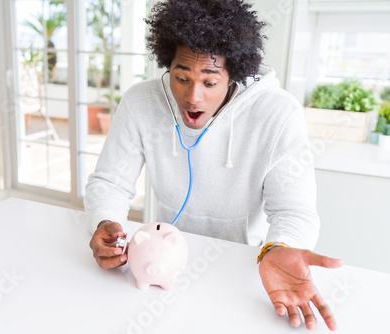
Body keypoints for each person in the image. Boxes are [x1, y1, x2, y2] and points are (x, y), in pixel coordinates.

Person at [85, 0, 343, 331]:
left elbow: (294, 211)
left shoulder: (279, 114)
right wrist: (104, 219)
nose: (193, 96)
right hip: (163, 264)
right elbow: (109, 181)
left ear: (233, 73)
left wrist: (282, 247)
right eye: (181, 77)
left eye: (209, 82)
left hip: (245, 269)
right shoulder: (140, 102)